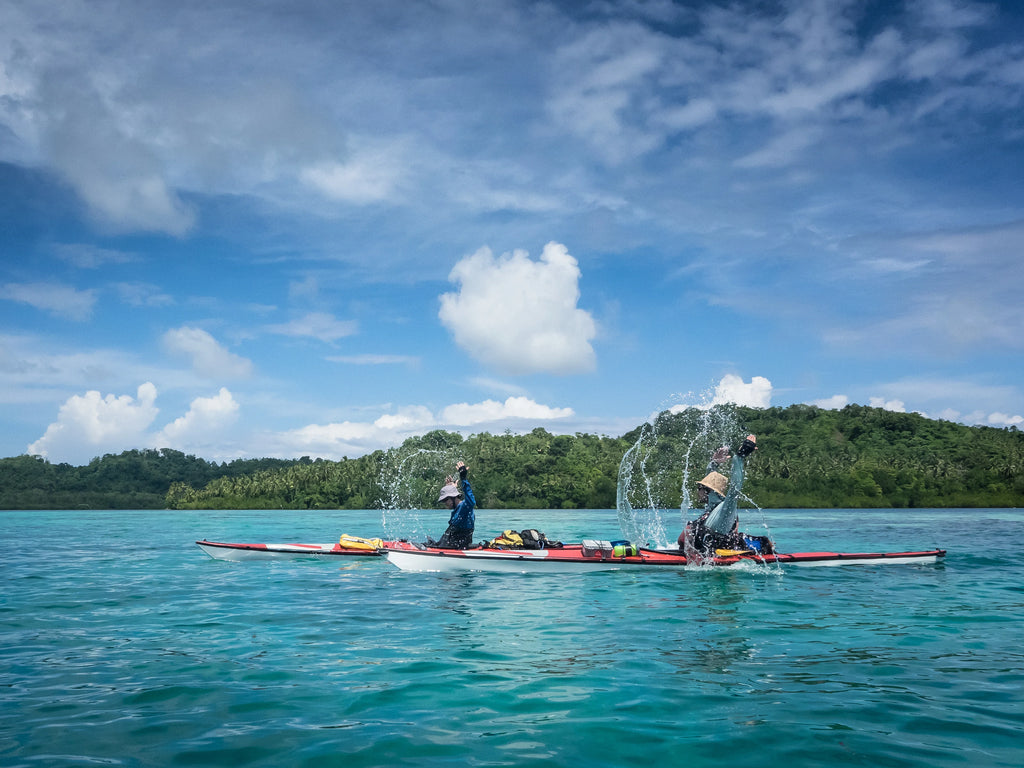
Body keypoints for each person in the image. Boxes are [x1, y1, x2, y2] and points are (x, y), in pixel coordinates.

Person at [678, 435, 769, 558]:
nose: (697, 491)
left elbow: (735, 488)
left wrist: (740, 457)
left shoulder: (725, 509)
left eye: (699, 488)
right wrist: (713, 464)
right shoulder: (712, 507)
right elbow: (711, 482)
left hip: (717, 559)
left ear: (707, 491)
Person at [435, 461, 476, 549]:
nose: (445, 503)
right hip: (448, 545)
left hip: (458, 548)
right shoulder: (457, 510)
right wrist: (451, 488)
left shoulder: (465, 507)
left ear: (452, 498)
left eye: (445, 500)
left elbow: (471, 501)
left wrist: (463, 478)